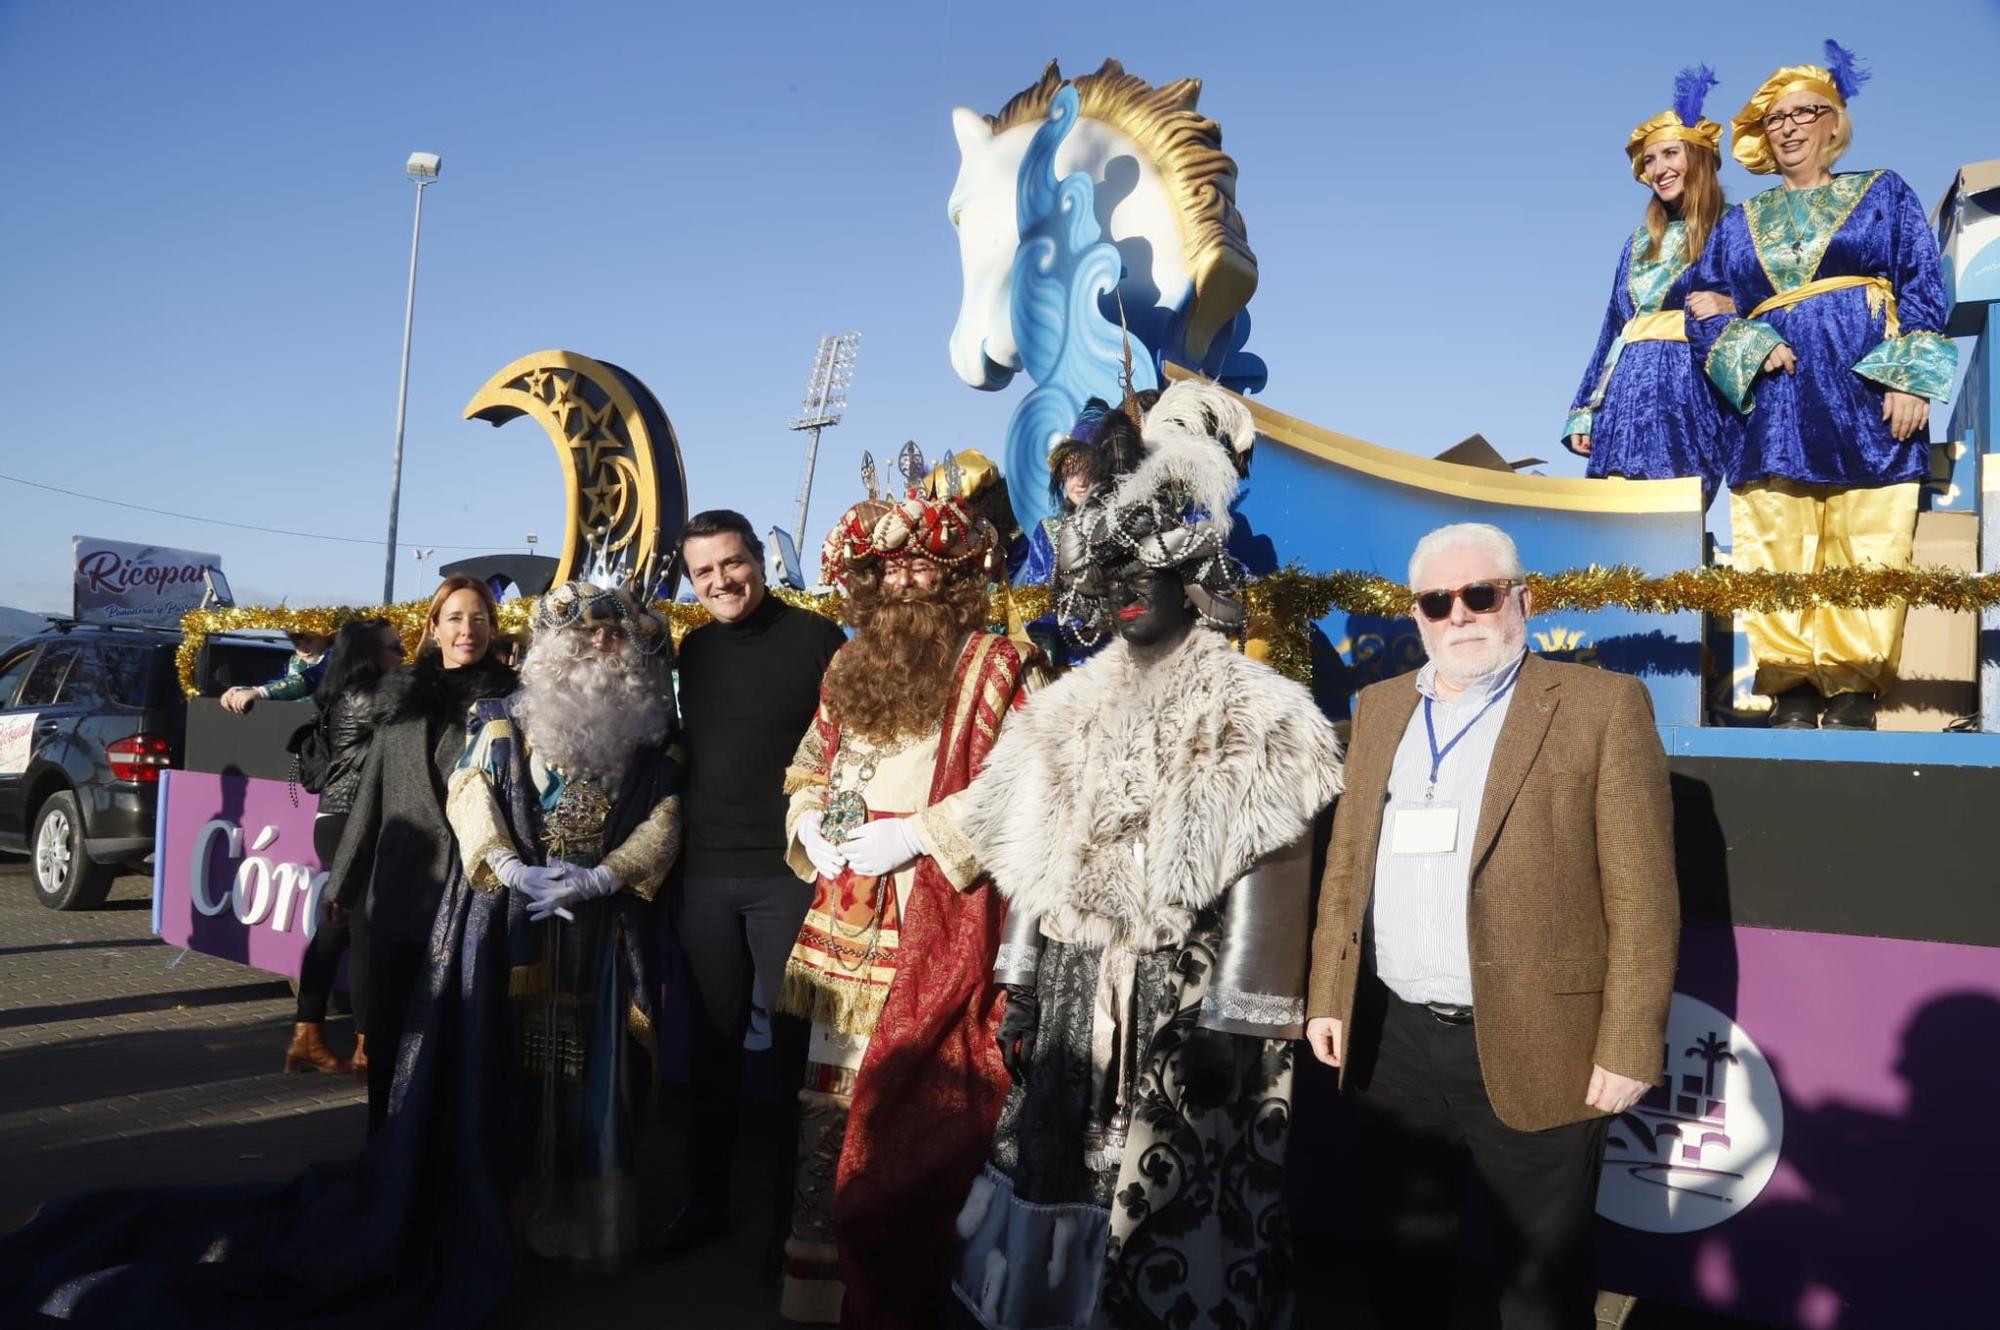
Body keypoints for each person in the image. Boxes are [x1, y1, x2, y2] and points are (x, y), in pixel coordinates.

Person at [944, 379, 1344, 1330]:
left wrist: (1234, 1020)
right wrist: (1027, 982)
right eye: (1110, 580)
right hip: (1082, 993)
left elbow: (1272, 870)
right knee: (1058, 1174)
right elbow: (1040, 865)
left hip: (1187, 999)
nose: (1125, 597)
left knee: (1177, 1205)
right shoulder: (1067, 709)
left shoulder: (1257, 706)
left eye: (1144, 579)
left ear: (1189, 582)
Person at [1303, 522, 1679, 1330]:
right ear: (1417, 614)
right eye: (1439, 602)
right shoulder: (1378, 709)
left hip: (1544, 1038)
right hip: (1394, 1041)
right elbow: (1345, 866)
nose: (1461, 616)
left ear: (1523, 599)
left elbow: (1645, 895)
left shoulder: (1600, 707)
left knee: (1540, 1291)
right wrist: (1329, 994)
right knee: (1405, 1272)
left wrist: (1629, 1043)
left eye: (1481, 594)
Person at [775, 476, 1043, 1327]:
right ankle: (825, 1292)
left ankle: (912, 1294)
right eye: (883, 569)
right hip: (840, 919)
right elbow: (808, 766)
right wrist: (810, 822)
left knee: (916, 1114)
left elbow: (1030, 782)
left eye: (921, 567)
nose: (900, 583)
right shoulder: (848, 664)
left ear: (956, 578)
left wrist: (920, 834)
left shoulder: (1001, 663)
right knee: (831, 1107)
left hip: (934, 918)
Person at [1687, 42, 1957, 731]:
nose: (1789, 126)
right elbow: (1702, 309)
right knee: (1774, 537)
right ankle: (1791, 687)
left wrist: (1911, 377)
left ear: (1833, 124)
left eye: (1805, 112)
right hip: (1773, 407)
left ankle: (1852, 690)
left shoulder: (1883, 192)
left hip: (1866, 390)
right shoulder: (1736, 224)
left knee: (1869, 535)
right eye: (1775, 118)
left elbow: (1925, 285)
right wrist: (1749, 339)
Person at [445, 572, 683, 1271]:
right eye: (584, 633)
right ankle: (509, 1219)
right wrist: (509, 867)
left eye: (614, 635)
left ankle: (588, 1225)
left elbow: (669, 818)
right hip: (518, 925)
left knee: (600, 1079)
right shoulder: (497, 719)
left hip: (606, 929)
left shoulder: (656, 738)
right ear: (552, 646)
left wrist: (606, 874)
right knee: (507, 1069)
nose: (600, 646)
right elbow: (469, 793)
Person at [663, 510, 845, 1262]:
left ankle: (789, 1224)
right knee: (710, 1048)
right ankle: (703, 1202)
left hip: (787, 878)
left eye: (731, 564)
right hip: (704, 876)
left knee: (789, 1058)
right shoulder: (693, 650)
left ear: (758, 562)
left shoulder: (816, 640)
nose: (720, 582)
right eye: (704, 572)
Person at [328, 575, 517, 1133]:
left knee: (459, 1033)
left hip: (473, 889)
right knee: (387, 1032)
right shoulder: (401, 693)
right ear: (433, 628)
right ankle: (383, 1148)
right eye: (455, 618)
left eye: (479, 619)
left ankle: (448, 1160)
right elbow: (372, 794)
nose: (468, 630)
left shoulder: (512, 698)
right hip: (400, 889)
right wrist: (343, 881)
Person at [1563, 66, 1734, 505]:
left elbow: (1764, 300)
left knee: (1673, 512)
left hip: (1688, 388)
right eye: (1650, 160)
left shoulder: (1734, 228)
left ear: (1697, 158)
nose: (1658, 169)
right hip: (1623, 394)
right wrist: (1584, 410)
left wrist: (1731, 304)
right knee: (1613, 518)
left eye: (1670, 154)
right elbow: (1611, 327)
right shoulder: (1638, 242)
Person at [282, 616, 403, 1076]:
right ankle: (366, 1048)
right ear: (370, 656)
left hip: (335, 820)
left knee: (334, 929)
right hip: (355, 822)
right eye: (395, 648)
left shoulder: (341, 696)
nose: (403, 657)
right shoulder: (372, 695)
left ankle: (306, 1037)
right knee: (362, 934)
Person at [218, 629, 332, 713]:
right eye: (296, 642)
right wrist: (243, 691)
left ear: (325, 636)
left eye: (308, 641)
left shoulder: (338, 657)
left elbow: (314, 677)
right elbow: (275, 683)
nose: (303, 650)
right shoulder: (295, 662)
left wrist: (261, 692)